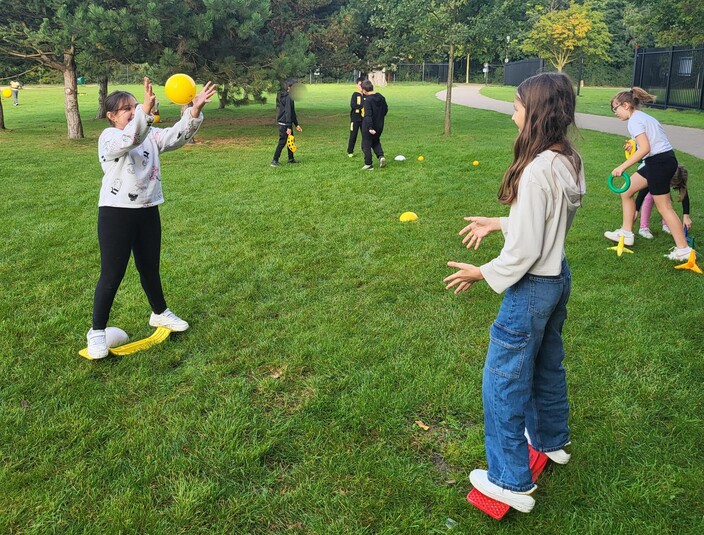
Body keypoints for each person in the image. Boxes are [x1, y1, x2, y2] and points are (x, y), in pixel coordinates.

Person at [444, 72, 585, 513]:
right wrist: (499, 221)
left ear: (536, 114)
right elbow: (547, 220)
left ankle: (509, 480)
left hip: (531, 289)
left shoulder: (537, 168)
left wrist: (481, 272)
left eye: (517, 106)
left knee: (502, 382)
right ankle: (552, 440)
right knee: (546, 364)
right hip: (557, 279)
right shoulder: (567, 159)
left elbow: (524, 250)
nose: (512, 112)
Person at [86, 77, 217, 359]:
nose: (133, 112)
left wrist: (193, 112)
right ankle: (97, 332)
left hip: (147, 210)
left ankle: (159, 313)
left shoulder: (150, 135)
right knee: (112, 274)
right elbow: (130, 138)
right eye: (126, 109)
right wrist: (144, 113)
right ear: (111, 116)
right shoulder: (109, 138)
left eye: (135, 106)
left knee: (149, 268)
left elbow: (176, 136)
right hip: (116, 213)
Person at [604, 87, 692, 261]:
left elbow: (645, 148)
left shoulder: (634, 121)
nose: (615, 113)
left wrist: (623, 167)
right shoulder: (643, 118)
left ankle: (683, 250)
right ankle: (627, 232)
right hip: (657, 161)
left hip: (660, 163)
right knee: (626, 192)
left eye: (615, 109)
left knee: (664, 207)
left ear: (626, 105)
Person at [635, 165, 691, 239]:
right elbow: (641, 194)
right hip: (647, 173)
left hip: (661, 173)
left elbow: (684, 194)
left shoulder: (679, 173)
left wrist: (686, 216)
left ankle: (666, 224)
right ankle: (643, 228)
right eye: (671, 184)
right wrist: (635, 210)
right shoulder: (654, 174)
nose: (672, 186)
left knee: (665, 199)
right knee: (649, 198)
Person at [271, 78, 302, 167]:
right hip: (284, 123)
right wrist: (288, 127)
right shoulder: (288, 97)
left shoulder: (290, 96)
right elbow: (288, 112)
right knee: (282, 142)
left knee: (291, 139)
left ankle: (291, 159)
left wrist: (296, 124)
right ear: (289, 87)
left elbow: (292, 112)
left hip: (286, 123)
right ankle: (274, 160)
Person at [360, 80, 388, 171]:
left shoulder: (368, 100)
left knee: (366, 144)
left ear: (364, 90)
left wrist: (370, 127)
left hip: (369, 126)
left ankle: (368, 164)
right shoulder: (381, 97)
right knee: (375, 141)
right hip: (379, 125)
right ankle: (381, 156)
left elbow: (368, 114)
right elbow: (385, 110)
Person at [346, 77, 365, 157]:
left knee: (365, 135)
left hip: (364, 119)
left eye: (363, 85)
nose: (361, 87)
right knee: (353, 135)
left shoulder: (366, 95)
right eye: (360, 85)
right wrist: (362, 107)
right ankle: (350, 151)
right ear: (357, 85)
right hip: (355, 119)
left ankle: (365, 150)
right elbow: (353, 105)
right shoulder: (355, 94)